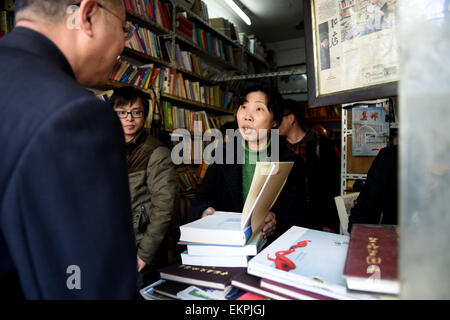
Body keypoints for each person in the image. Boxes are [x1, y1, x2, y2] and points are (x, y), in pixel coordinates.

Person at [0, 0, 137, 299]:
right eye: (124, 29)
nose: (123, 45)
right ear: (87, 15)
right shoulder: (76, 114)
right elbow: (90, 286)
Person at [189, 81, 311, 242]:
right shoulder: (223, 154)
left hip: (271, 249)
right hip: (228, 245)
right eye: (244, 107)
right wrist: (205, 211)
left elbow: (299, 214)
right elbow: (201, 198)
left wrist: (276, 220)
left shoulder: (291, 161)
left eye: (259, 109)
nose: (247, 115)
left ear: (275, 121)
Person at [110, 86, 177, 290]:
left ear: (145, 115)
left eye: (136, 112)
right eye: (122, 112)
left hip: (139, 248)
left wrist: (144, 254)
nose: (129, 118)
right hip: (111, 245)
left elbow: (164, 208)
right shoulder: (104, 146)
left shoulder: (156, 151)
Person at [278, 99, 341, 233]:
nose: (274, 123)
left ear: (291, 118)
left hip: (315, 218)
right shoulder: (276, 148)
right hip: (285, 220)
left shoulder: (322, 145)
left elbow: (332, 186)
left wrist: (328, 222)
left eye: (278, 118)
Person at [348, 145, 398, 233]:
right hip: (393, 239)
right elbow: (367, 205)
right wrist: (358, 235)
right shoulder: (390, 156)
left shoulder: (389, 155)